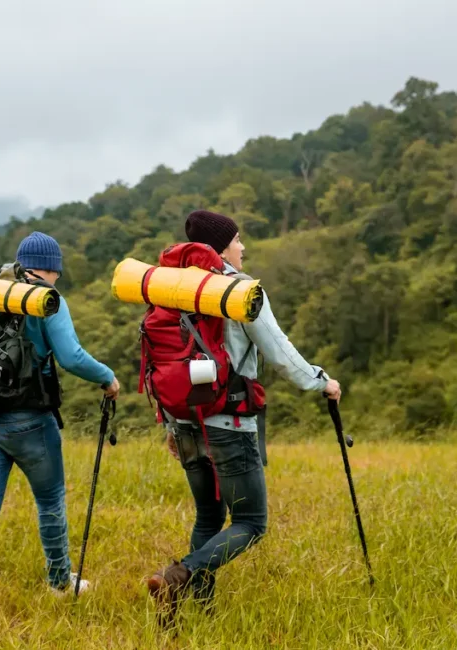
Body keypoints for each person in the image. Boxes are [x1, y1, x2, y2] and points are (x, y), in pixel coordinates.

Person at [145, 210, 341, 623]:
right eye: (237, 240)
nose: (243, 246)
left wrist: (170, 424)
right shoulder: (240, 291)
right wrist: (320, 381)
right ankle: (178, 575)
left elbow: (162, 359)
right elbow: (278, 351)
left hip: (184, 421)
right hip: (228, 421)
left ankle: (201, 611)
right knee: (250, 522)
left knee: (209, 516)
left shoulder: (172, 288)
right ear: (221, 247)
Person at [0, 231, 121, 624]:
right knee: (50, 501)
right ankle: (59, 582)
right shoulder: (46, 299)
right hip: (29, 421)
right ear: (52, 267)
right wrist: (107, 377)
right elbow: (71, 356)